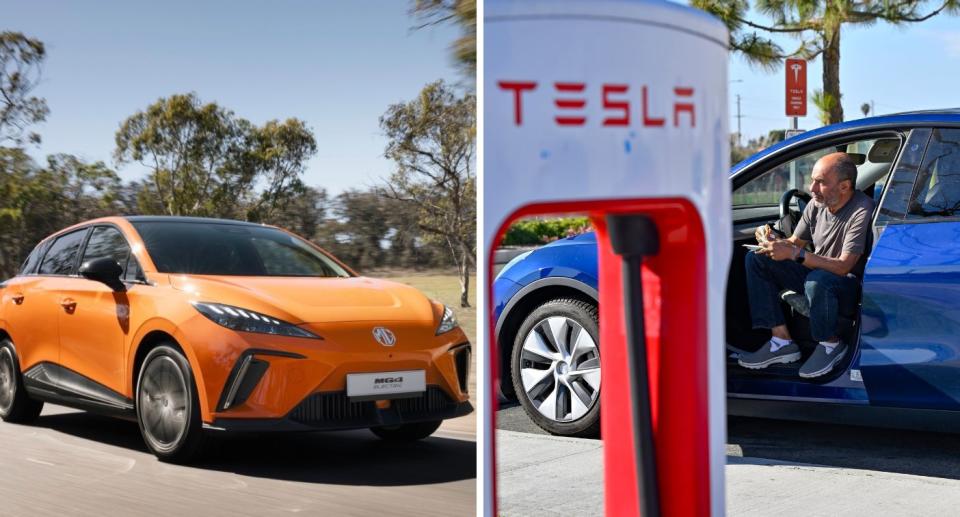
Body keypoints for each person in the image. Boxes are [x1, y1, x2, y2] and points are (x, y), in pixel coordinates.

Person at [738, 152, 875, 378]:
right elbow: (794, 243)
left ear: (844, 186)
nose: (812, 188)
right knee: (758, 258)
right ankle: (781, 342)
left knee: (818, 279)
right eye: (812, 180)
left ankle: (831, 344)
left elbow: (843, 267)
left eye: (820, 182)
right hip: (817, 274)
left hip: (847, 285)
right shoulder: (816, 204)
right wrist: (771, 239)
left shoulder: (862, 209)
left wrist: (795, 253)